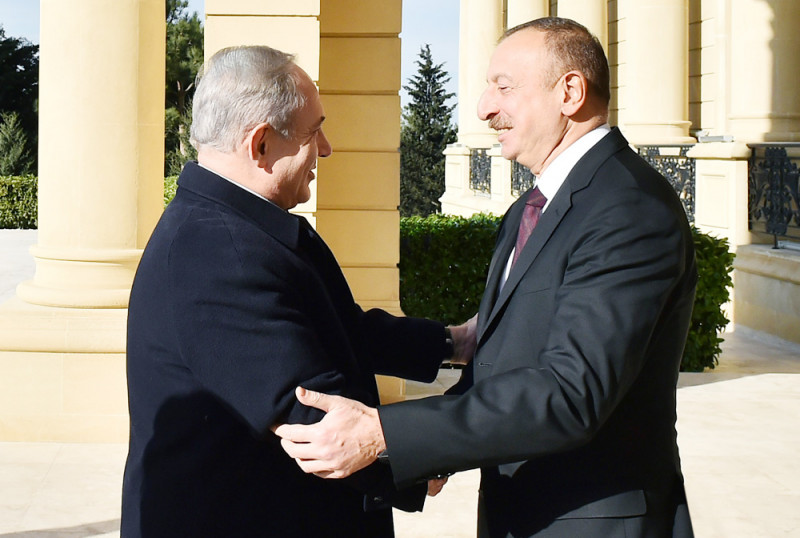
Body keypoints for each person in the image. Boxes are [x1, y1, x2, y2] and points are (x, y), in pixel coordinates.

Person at [274, 17, 698, 537]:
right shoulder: (529, 208)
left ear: (569, 92)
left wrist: (386, 433)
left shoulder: (628, 207)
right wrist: (419, 450)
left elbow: (572, 392)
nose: (483, 108)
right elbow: (500, 368)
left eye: (504, 87)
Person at [121, 45, 468, 537]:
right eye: (312, 132)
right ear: (260, 143)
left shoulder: (243, 228)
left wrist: (454, 342)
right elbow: (314, 415)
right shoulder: (217, 251)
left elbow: (342, 331)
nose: (325, 148)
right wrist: (437, 445)